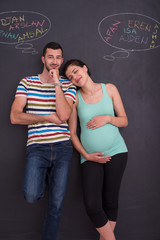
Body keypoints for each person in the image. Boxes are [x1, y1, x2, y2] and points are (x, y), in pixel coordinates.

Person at [10, 42, 76, 240]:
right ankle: (46, 178)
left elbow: (64, 115)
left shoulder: (68, 84)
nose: (54, 61)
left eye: (58, 58)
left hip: (63, 147)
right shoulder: (27, 82)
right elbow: (15, 116)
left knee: (55, 206)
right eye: (50, 57)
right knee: (31, 195)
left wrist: (57, 84)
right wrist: (46, 117)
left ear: (62, 60)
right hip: (37, 148)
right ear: (43, 59)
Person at [63, 59, 128, 240]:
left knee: (110, 201)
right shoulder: (74, 99)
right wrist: (86, 155)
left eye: (76, 71)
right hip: (90, 158)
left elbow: (124, 120)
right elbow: (73, 134)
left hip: (117, 152)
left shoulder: (110, 89)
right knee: (92, 204)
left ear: (85, 68)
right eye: (70, 76)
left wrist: (107, 118)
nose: (75, 77)